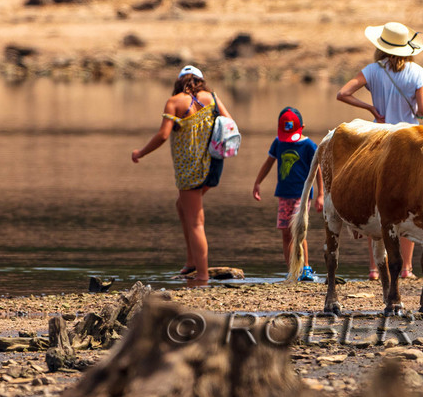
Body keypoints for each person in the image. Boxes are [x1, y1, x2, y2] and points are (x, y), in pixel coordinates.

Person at [336, 21, 423, 280]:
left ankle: (375, 269)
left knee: (378, 206)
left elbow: (342, 93)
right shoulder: (418, 72)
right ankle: (407, 269)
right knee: (409, 206)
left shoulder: (372, 71)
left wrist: (370, 108)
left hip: (380, 138)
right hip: (409, 141)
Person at [131, 64, 235, 286]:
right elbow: (230, 123)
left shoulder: (174, 102)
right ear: (200, 81)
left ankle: (202, 276)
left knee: (196, 221)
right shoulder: (212, 97)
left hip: (189, 170)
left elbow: (163, 135)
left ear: (179, 81)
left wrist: (140, 152)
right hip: (212, 167)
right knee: (182, 207)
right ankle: (191, 262)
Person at [251, 107, 322, 282]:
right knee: (285, 232)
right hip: (284, 195)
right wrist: (257, 182)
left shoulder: (308, 146)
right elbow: (268, 163)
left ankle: (305, 269)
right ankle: (291, 270)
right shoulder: (279, 142)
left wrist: (321, 194)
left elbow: (317, 169)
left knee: (299, 232)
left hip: (302, 195)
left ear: (302, 127)